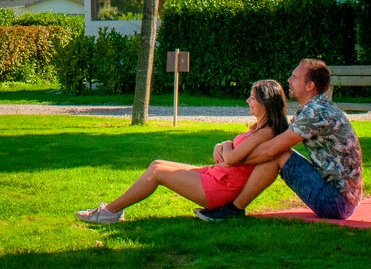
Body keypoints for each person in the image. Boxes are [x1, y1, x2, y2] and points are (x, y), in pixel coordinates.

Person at [75, 79, 289, 224]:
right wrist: (223, 144)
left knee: (157, 173)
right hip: (217, 175)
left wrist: (224, 145)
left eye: (252, 98)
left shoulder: (266, 131)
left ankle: (109, 212)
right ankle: (112, 211)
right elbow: (233, 155)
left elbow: (232, 157)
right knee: (157, 164)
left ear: (265, 102)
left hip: (220, 187)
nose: (247, 101)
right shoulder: (259, 128)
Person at [196, 58, 362, 221]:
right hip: (340, 198)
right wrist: (228, 146)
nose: (289, 80)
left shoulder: (315, 112)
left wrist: (233, 159)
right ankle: (231, 205)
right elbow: (273, 139)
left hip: (335, 201)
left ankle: (233, 209)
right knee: (278, 152)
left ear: (310, 86)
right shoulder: (313, 108)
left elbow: (271, 149)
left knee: (278, 154)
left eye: (295, 77)